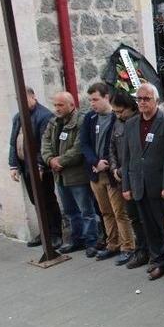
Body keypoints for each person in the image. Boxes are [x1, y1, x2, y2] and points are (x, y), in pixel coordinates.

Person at [120, 83, 164, 282]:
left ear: (156, 100)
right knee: (148, 226)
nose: (142, 102)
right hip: (138, 185)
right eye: (139, 99)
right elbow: (126, 157)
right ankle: (158, 261)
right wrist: (126, 185)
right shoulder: (130, 124)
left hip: (159, 186)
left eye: (147, 99)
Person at [79, 82, 134, 261]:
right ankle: (113, 243)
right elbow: (84, 143)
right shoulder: (89, 118)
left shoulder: (116, 119)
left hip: (112, 174)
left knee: (119, 212)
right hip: (95, 173)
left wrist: (106, 162)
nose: (92, 104)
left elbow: (116, 146)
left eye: (95, 99)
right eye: (90, 100)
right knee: (105, 211)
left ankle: (128, 245)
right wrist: (95, 162)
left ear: (106, 98)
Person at [41, 91, 100, 256]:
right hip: (60, 176)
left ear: (71, 105)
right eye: (55, 105)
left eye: (60, 105)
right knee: (70, 211)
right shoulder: (53, 122)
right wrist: (50, 159)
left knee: (86, 211)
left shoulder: (81, 121)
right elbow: (45, 142)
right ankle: (77, 239)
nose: (57, 109)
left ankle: (92, 241)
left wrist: (61, 161)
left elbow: (79, 147)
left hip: (77, 175)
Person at [8, 86, 62, 248]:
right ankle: (44, 231)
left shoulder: (44, 116)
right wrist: (13, 165)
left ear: (33, 97)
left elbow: (45, 145)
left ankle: (55, 233)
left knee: (47, 199)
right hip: (25, 166)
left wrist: (40, 165)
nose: (21, 103)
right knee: (35, 201)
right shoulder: (18, 117)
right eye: (18, 100)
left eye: (24, 99)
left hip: (40, 167)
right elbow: (13, 142)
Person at [108, 90, 147, 268]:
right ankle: (138, 250)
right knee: (132, 216)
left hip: (135, 176)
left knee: (143, 217)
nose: (118, 115)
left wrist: (123, 170)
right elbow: (112, 147)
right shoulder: (117, 124)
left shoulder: (138, 122)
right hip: (121, 176)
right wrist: (115, 168)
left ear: (130, 107)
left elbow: (137, 152)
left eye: (120, 111)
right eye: (115, 112)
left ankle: (147, 251)